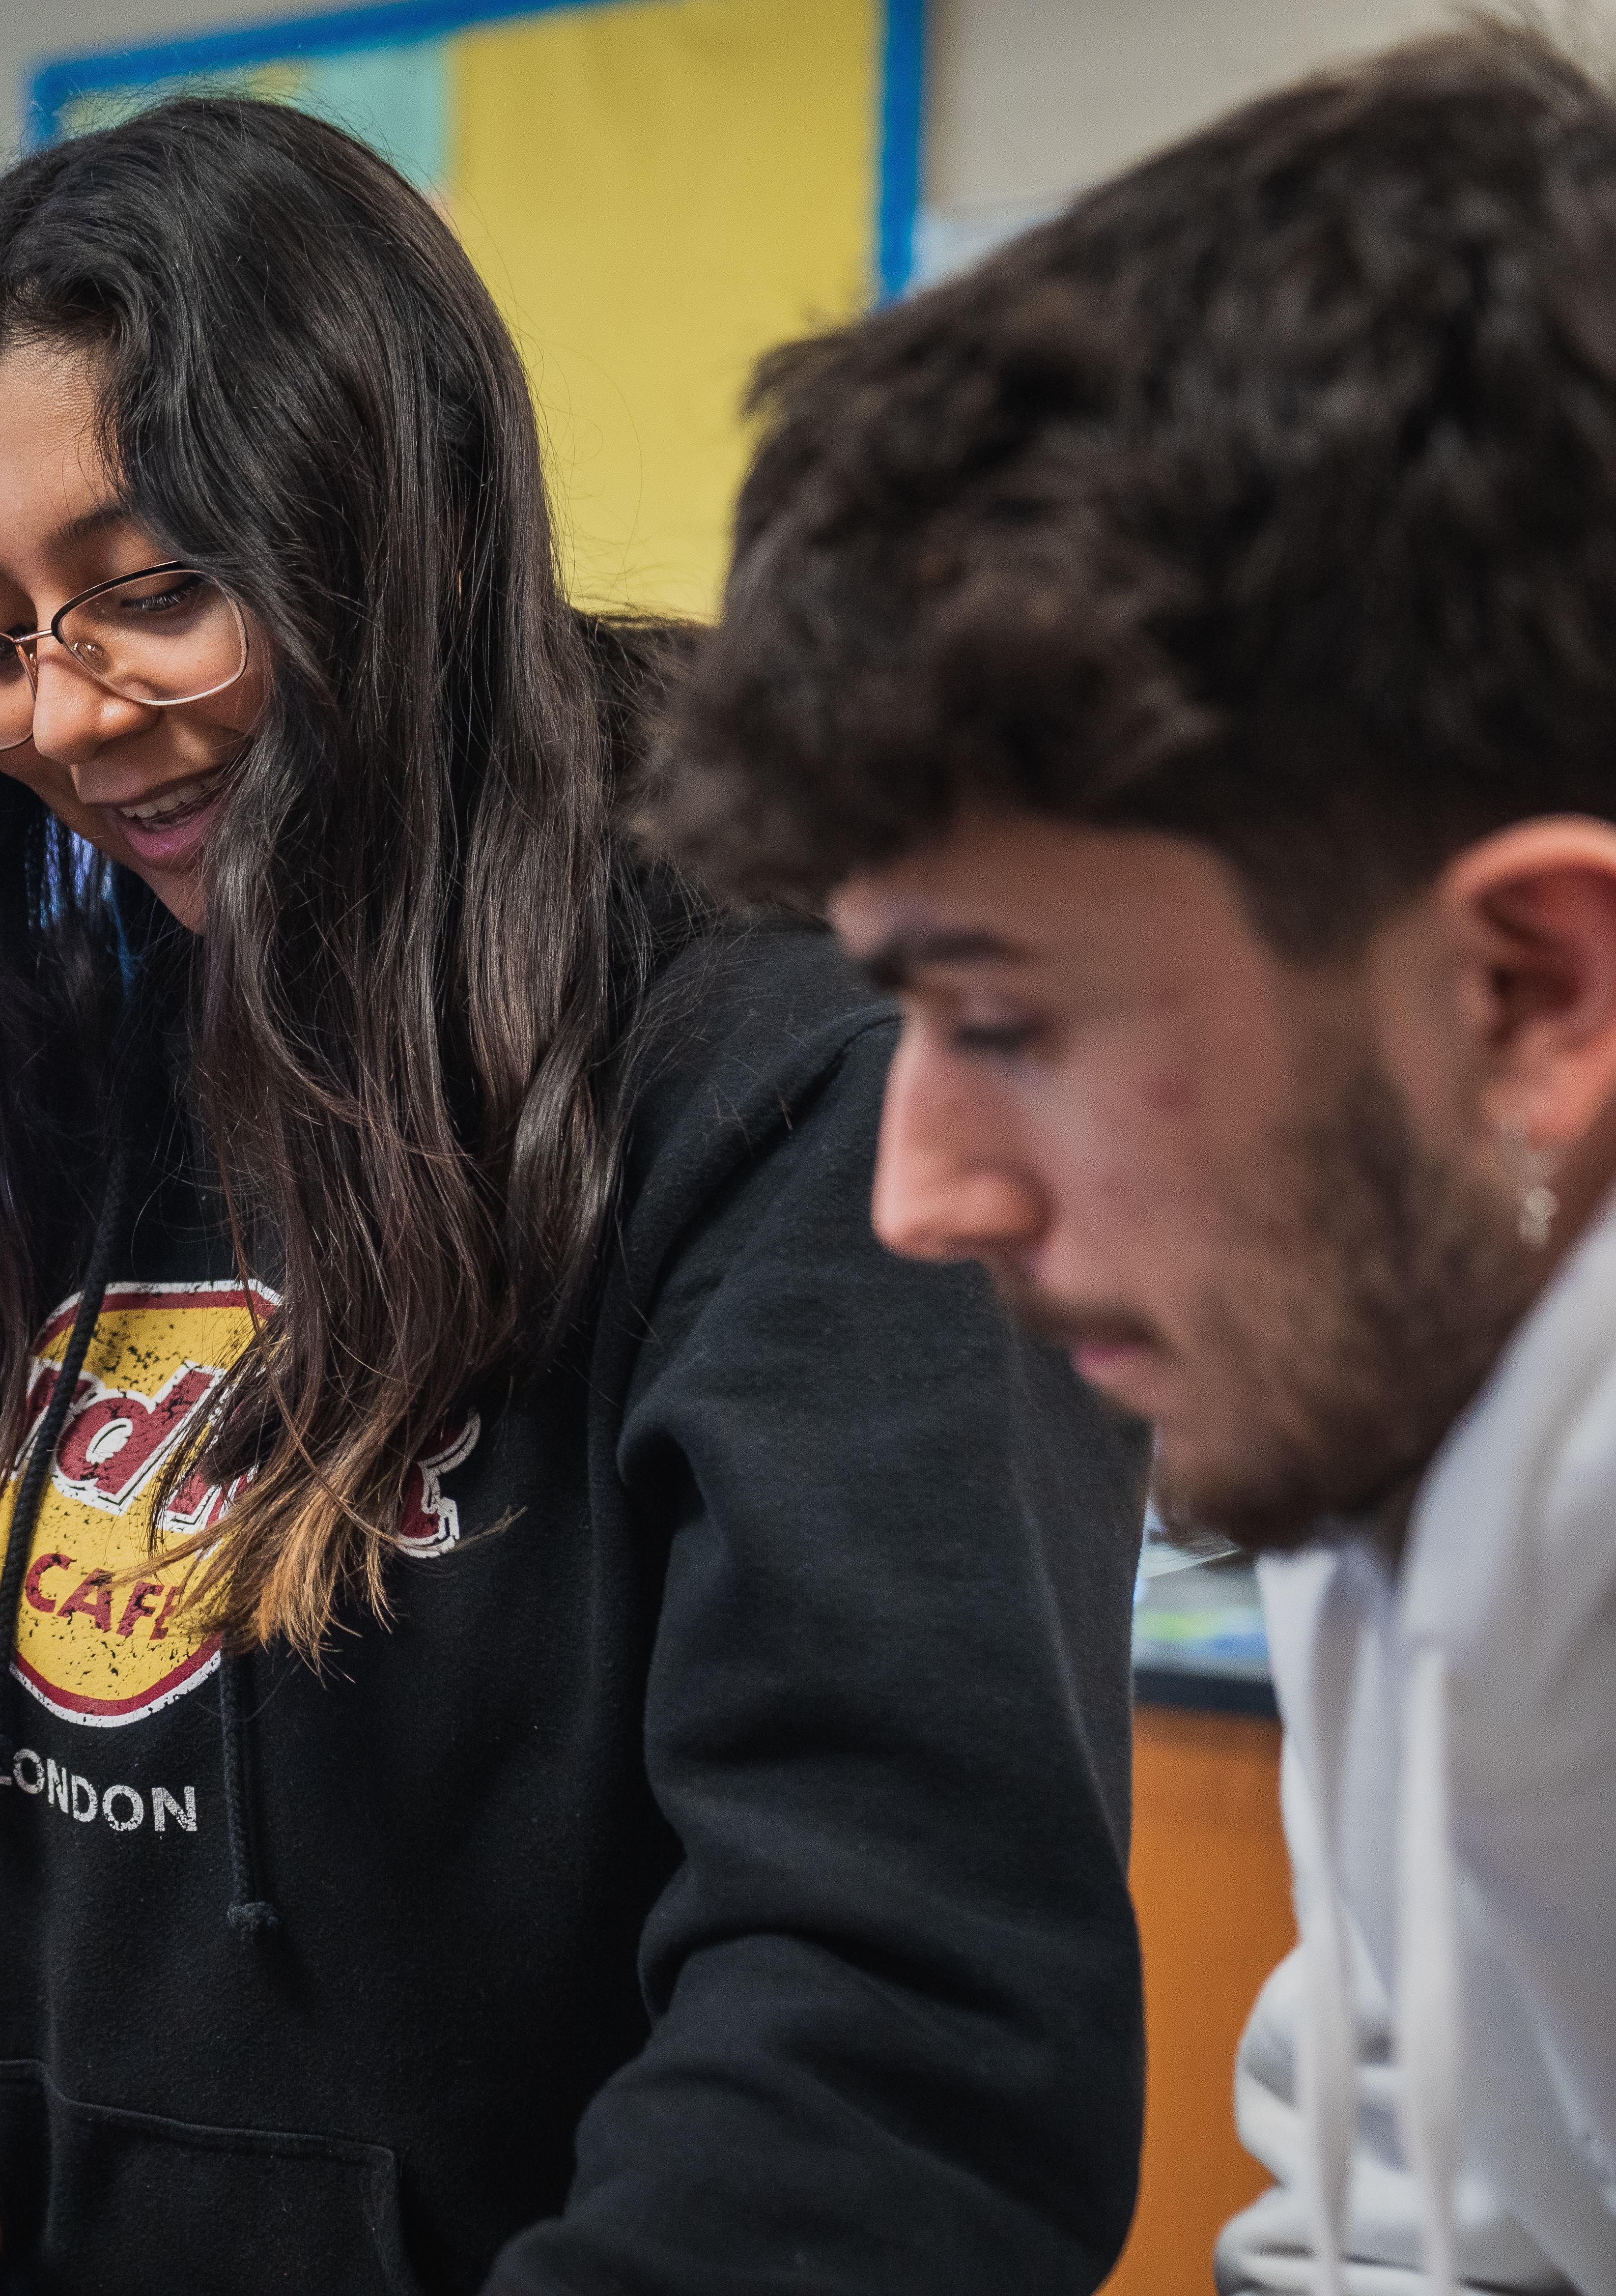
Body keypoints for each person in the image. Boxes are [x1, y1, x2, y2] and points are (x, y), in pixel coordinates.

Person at [0, 98, 1153, 2296]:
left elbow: (911, 2032)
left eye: (151, 592)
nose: (64, 715)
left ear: (389, 523)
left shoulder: (801, 1081)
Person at [643, 27, 1616, 2293]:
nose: (921, 1193)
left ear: (1533, 995)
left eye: (1008, 1022)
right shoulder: (1413, 1356)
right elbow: (1415, 2227)